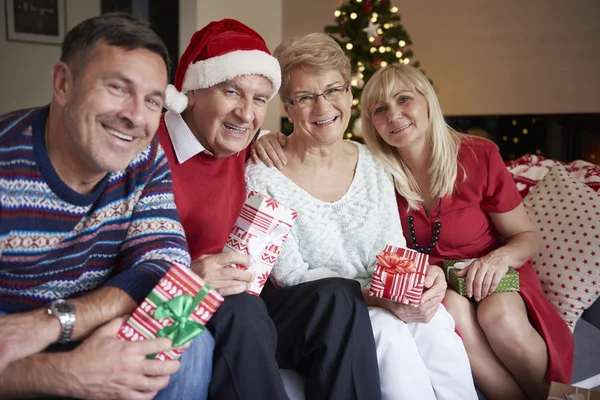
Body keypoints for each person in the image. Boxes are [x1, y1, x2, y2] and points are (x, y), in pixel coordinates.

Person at [158, 19, 385, 400]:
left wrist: (268, 140)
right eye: (232, 92)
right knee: (241, 308)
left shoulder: (252, 149)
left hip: (250, 303)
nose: (246, 114)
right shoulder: (148, 151)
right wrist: (189, 278)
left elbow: (276, 140)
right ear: (192, 92)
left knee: (338, 295)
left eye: (260, 99)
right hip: (178, 301)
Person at [247, 32, 477, 400]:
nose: (323, 108)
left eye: (334, 90)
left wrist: (421, 279)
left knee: (434, 324)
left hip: (384, 294)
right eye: (306, 97)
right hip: (330, 313)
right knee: (388, 331)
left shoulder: (372, 162)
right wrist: (377, 298)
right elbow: (291, 276)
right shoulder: (263, 173)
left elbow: (393, 249)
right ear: (287, 107)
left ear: (349, 94)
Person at [0, 13, 213, 400]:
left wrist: (54, 322)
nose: (134, 116)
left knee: (188, 338)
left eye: (152, 100)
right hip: (9, 339)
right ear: (64, 83)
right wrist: (66, 373)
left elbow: (166, 268)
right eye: (118, 88)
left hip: (83, 326)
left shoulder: (144, 159)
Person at [358, 63, 574, 400]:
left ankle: (559, 397)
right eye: (380, 109)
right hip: (435, 282)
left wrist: (497, 259)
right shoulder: (374, 172)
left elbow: (526, 237)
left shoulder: (478, 155)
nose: (394, 115)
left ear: (427, 101)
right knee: (449, 310)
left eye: (403, 99)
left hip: (493, 269)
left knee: (499, 315)